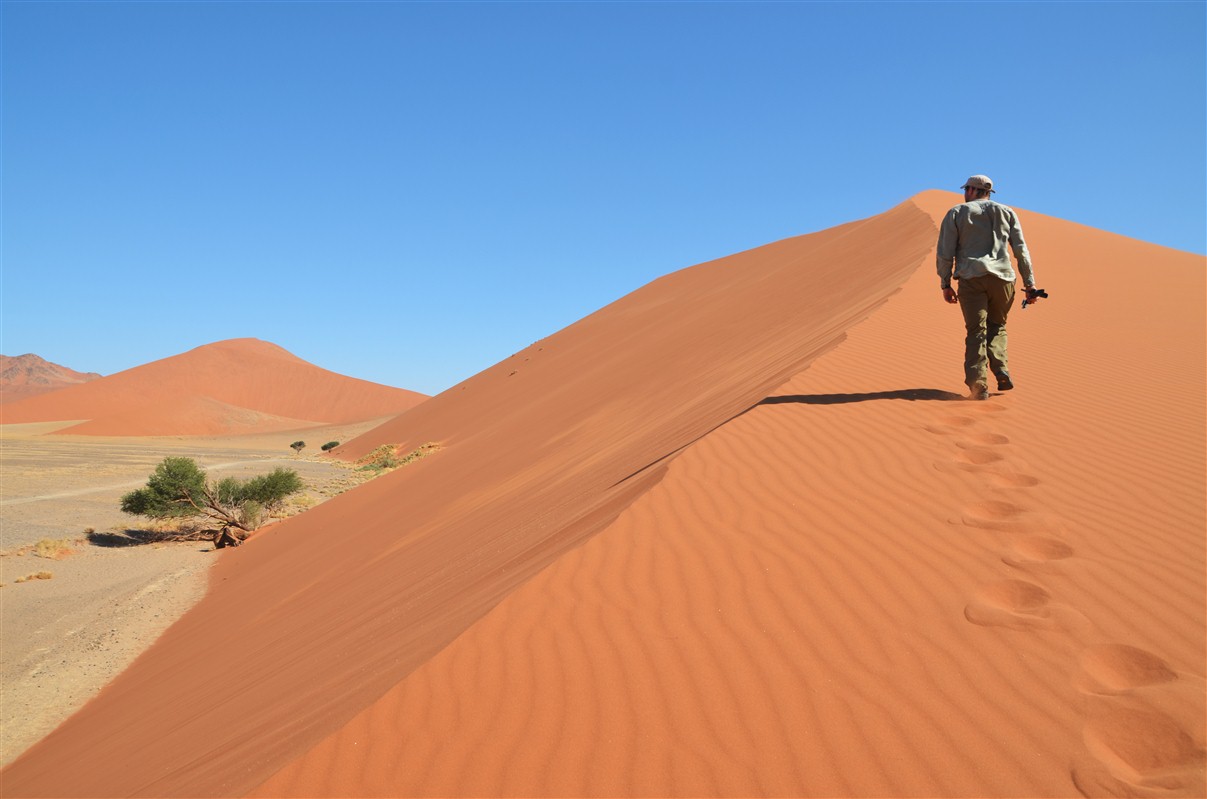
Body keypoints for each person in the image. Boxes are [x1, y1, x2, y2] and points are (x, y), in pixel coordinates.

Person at [937, 175, 1037, 400]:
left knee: (976, 331)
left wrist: (945, 283)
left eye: (967, 189)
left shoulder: (956, 213)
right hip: (1003, 279)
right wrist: (1030, 284)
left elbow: (945, 252)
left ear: (972, 190)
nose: (965, 193)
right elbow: (1021, 250)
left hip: (972, 279)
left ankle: (978, 384)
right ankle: (1001, 369)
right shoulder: (1008, 212)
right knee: (997, 326)